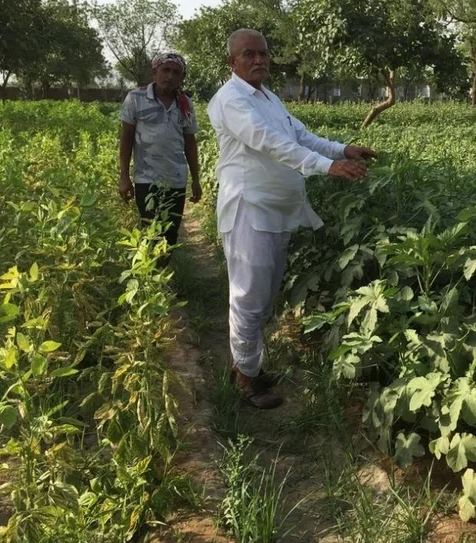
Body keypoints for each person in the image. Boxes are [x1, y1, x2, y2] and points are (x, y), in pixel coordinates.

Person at [207, 28, 376, 409]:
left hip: (277, 211)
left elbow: (299, 135)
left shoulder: (268, 98)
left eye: (263, 53)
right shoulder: (231, 100)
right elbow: (269, 141)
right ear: (232, 61)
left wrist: (342, 150)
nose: (259, 60)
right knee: (248, 297)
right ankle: (246, 380)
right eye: (249, 54)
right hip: (249, 209)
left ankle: (247, 365)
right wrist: (326, 166)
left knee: (265, 296)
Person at [118, 52, 202, 267]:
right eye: (166, 70)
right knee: (150, 231)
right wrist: (124, 177)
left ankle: (161, 276)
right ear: (154, 72)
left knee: (170, 234)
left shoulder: (184, 104)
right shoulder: (136, 98)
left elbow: (190, 143)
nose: (170, 76)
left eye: (176, 72)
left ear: (182, 78)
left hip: (175, 179)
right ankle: (151, 276)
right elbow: (126, 138)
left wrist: (196, 180)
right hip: (146, 178)